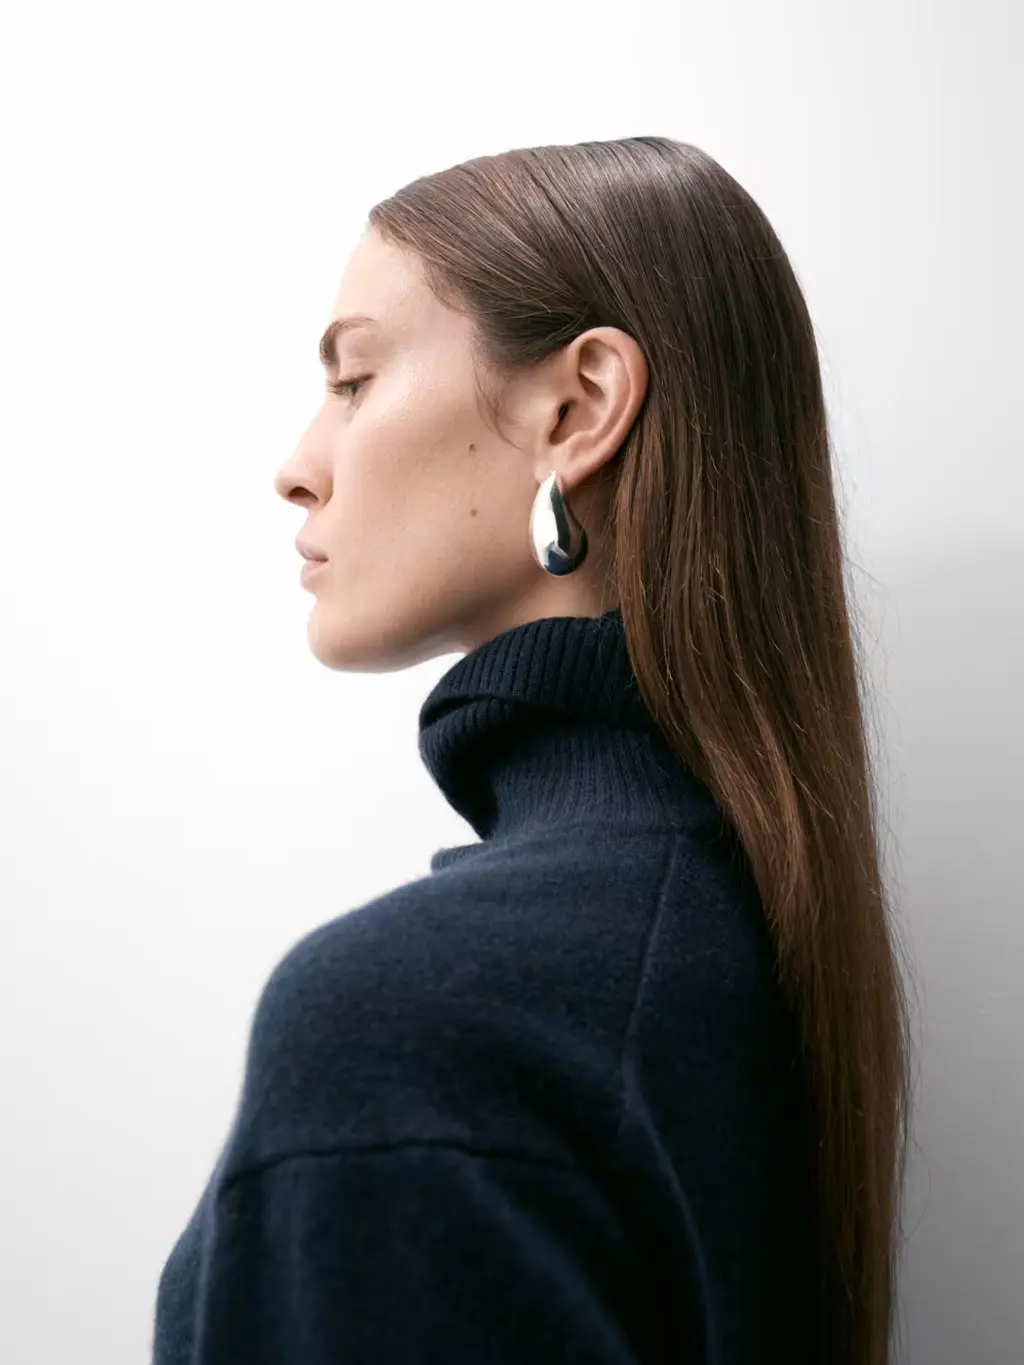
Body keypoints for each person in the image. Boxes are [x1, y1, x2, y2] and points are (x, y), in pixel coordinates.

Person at [152, 136, 913, 1365]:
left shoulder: (416, 1016)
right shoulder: (732, 936)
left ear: (578, 410)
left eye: (352, 381)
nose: (299, 468)